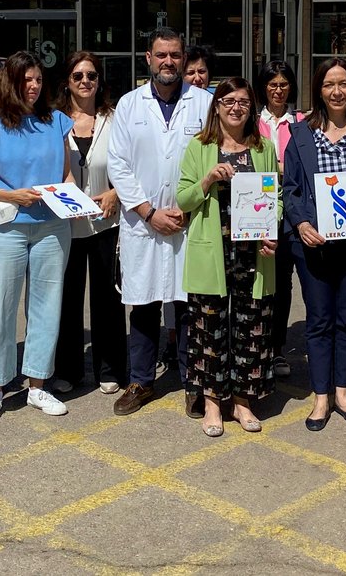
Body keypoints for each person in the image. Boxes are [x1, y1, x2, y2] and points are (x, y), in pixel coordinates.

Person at [0, 51, 74, 425]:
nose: (33, 86)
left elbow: (65, 177)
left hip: (51, 226)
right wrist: (12, 194)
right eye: (26, 80)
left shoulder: (57, 121)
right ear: (9, 82)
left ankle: (37, 385)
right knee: (1, 308)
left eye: (38, 80)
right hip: (6, 226)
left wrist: (78, 200)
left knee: (47, 306)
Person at [107, 28, 209, 416]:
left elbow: (213, 155)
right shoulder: (129, 105)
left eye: (176, 55)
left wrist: (186, 207)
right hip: (142, 222)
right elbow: (118, 165)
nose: (169, 62)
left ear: (184, 60)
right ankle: (141, 381)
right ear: (147, 58)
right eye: (161, 55)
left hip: (188, 219)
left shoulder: (203, 103)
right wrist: (149, 211)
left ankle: (191, 382)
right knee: (144, 304)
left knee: (188, 303)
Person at [283, 57, 346, 430]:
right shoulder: (300, 135)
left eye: (343, 83)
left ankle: (343, 390)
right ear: (319, 90)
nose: (337, 91)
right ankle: (321, 395)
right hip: (314, 242)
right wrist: (302, 222)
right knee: (318, 319)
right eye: (329, 85)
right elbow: (290, 188)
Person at [178, 78, 280, 436]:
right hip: (212, 250)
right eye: (229, 101)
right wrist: (207, 180)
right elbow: (183, 200)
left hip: (253, 252)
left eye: (243, 102)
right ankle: (211, 404)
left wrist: (272, 228)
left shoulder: (263, 146)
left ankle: (242, 401)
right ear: (216, 106)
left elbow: (276, 195)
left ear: (251, 109)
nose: (236, 108)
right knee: (209, 329)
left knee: (250, 326)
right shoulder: (200, 146)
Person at [54, 51, 127, 396]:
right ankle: (67, 368)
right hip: (64, 226)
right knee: (66, 299)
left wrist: (115, 192)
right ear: (67, 81)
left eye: (92, 76)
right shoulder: (52, 121)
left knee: (107, 299)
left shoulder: (116, 119)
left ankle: (109, 368)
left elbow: (131, 166)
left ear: (100, 81)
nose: (85, 82)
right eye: (78, 76)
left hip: (105, 223)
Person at [255, 60, 304, 378]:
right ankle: (255, 344)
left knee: (283, 283)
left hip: (289, 214)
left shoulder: (300, 122)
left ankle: (277, 348)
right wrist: (280, 169)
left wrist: (277, 170)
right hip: (256, 211)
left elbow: (300, 168)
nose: (278, 89)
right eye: (272, 83)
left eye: (283, 83)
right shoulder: (250, 121)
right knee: (258, 282)